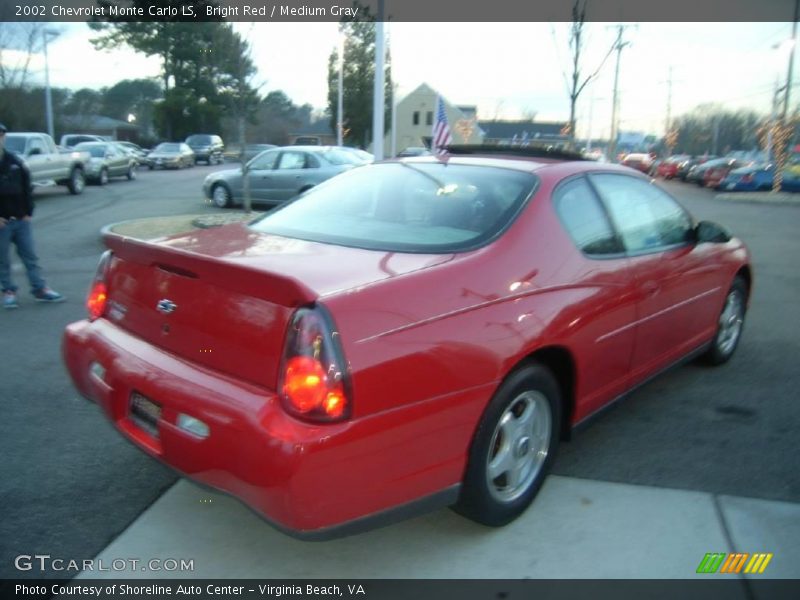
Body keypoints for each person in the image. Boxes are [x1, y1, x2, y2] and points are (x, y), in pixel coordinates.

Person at [0, 122, 64, 309]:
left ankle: (40, 289)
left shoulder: (15, 162)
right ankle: (8, 291)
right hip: (2, 223)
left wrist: (28, 211)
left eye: (1, 135)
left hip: (21, 220)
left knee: (30, 256)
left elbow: (26, 189)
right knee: (2, 260)